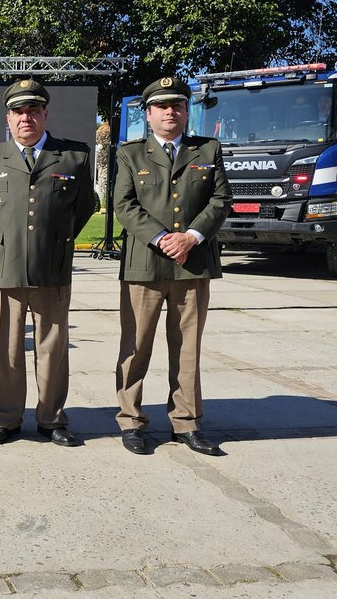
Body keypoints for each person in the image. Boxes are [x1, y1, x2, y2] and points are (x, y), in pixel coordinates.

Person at [0, 80, 95, 447]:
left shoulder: (74, 156)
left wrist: (54, 240)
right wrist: (6, 240)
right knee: (4, 348)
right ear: (7, 117)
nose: (26, 118)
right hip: (6, 267)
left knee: (52, 348)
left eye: (34, 110)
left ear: (45, 114)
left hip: (52, 267)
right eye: (19, 111)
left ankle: (51, 419)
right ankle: (6, 419)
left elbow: (84, 207)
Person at [113, 76, 232, 456]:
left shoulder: (208, 149)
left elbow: (220, 199)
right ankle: (131, 421)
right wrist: (164, 238)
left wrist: (191, 237)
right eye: (161, 106)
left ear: (186, 111)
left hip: (193, 265)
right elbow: (124, 205)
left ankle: (186, 423)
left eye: (177, 105)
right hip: (144, 266)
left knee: (187, 348)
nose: (170, 112)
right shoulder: (130, 154)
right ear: (148, 114)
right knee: (136, 347)